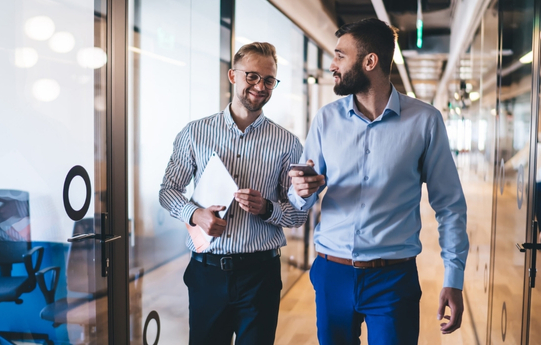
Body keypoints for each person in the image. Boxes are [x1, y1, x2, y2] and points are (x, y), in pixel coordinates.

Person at [288, 18, 468, 344]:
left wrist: (453, 278)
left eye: (341, 55)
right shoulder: (326, 120)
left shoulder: (425, 122)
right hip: (332, 273)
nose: (333, 65)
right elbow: (301, 197)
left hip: (393, 280)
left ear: (370, 61)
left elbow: (450, 205)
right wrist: (302, 191)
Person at [159, 42, 308, 345]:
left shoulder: (287, 143)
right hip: (207, 273)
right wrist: (195, 214)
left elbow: (298, 214)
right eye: (252, 76)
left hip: (261, 275)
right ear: (232, 76)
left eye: (268, 80)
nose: (260, 86)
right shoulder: (195, 133)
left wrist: (267, 208)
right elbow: (168, 191)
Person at [506, 132, 541, 241]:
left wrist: (505, 166)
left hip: (531, 183)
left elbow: (517, 160)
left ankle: (531, 235)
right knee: (539, 209)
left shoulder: (530, 148)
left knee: (531, 210)